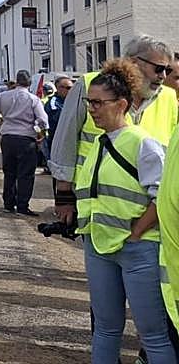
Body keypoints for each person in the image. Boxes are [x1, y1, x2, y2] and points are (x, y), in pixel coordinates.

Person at [78, 59, 174, 364]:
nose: (91, 109)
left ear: (121, 104)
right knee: (105, 330)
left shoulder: (143, 144)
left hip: (138, 249)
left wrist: (136, 233)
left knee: (153, 336)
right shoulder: (99, 143)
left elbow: (162, 197)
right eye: (89, 102)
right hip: (99, 246)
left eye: (98, 103)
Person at [52, 37, 178, 228]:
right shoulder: (90, 85)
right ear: (134, 62)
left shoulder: (168, 97)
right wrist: (64, 196)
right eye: (158, 69)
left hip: (147, 211)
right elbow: (65, 139)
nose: (162, 76)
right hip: (98, 207)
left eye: (167, 70)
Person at [0, 69, 50, 215]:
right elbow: (43, 120)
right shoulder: (33, 99)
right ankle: (22, 206)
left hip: (7, 138)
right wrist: (40, 131)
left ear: (17, 81)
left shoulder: (4, 96)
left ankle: (8, 204)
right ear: (29, 83)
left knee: (9, 172)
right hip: (26, 139)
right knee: (25, 174)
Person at [42, 77, 72, 171]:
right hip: (58, 142)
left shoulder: (71, 101)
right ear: (58, 88)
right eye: (68, 88)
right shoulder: (53, 104)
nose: (70, 91)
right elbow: (59, 123)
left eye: (72, 88)